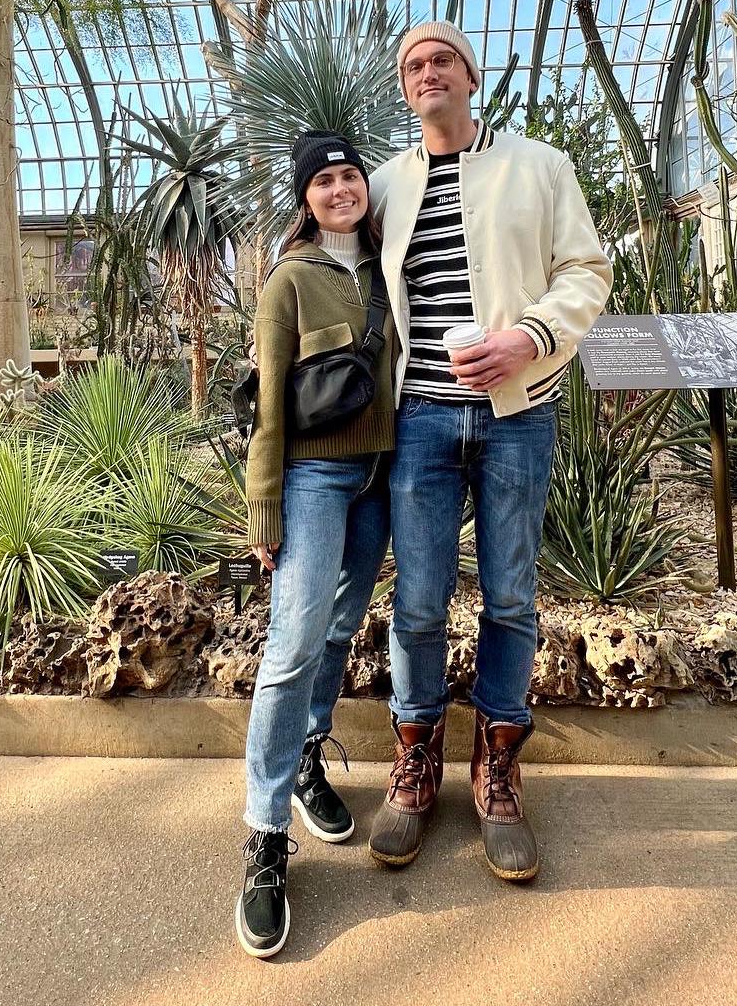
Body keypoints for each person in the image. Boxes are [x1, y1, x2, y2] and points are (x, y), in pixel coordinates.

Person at [366, 21, 613, 882]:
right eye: (413, 66)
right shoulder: (385, 182)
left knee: (511, 595)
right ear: (406, 90)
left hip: (517, 411)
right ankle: (417, 757)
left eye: (442, 61)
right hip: (422, 419)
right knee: (420, 601)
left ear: (471, 77)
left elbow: (585, 269)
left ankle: (499, 766)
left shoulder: (538, 165)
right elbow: (337, 265)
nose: (427, 73)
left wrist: (531, 338)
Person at [235, 130, 397, 959]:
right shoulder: (289, 281)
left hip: (382, 476)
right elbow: (269, 410)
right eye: (326, 180)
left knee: (340, 629)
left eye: (350, 176)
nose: (342, 189)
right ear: (306, 196)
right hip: (313, 479)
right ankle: (264, 836)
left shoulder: (390, 269)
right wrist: (264, 508)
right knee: (292, 644)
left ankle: (306, 756)